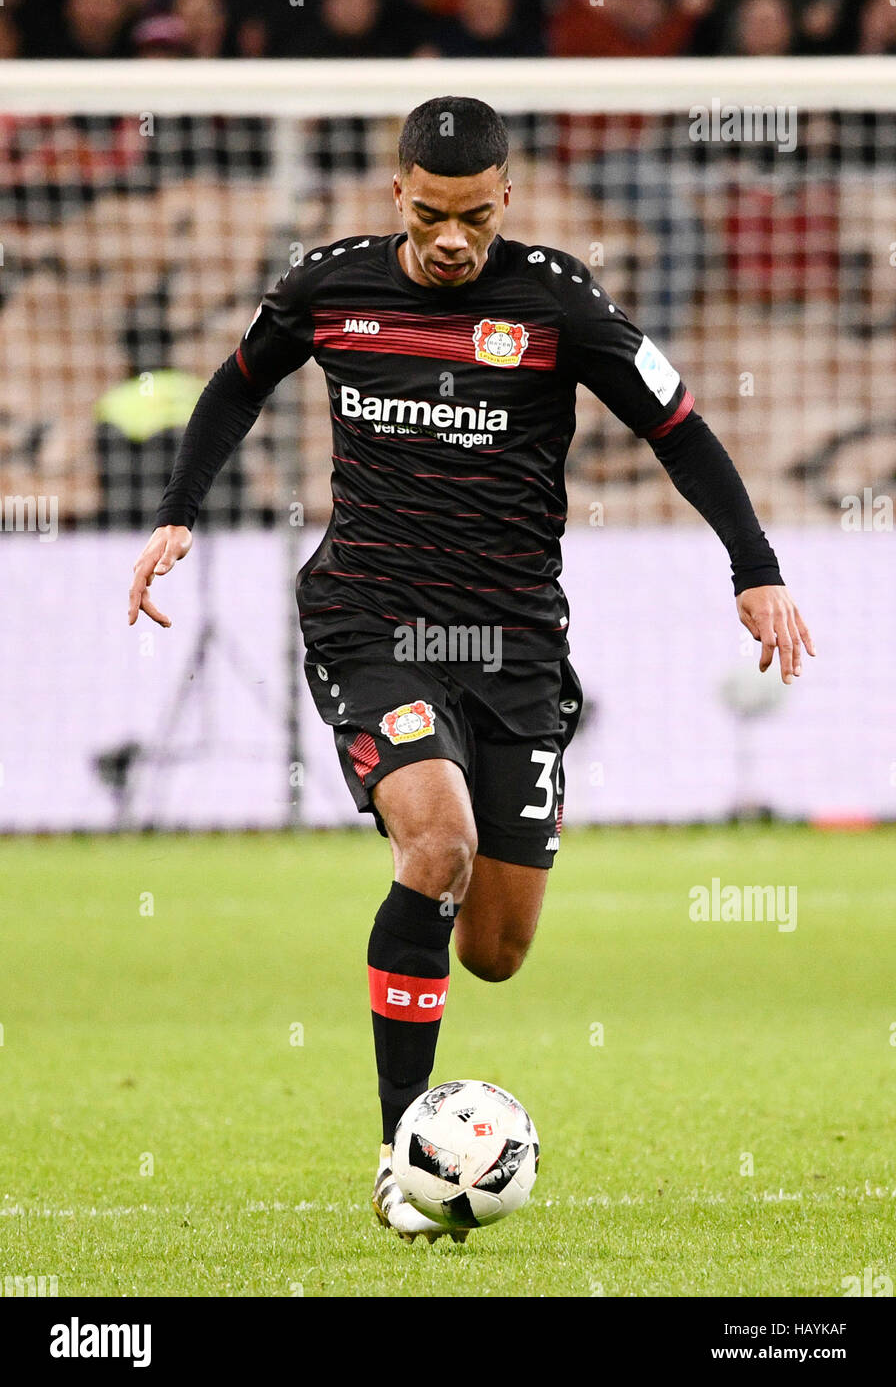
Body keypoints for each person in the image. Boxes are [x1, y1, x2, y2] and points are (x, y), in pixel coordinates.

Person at [128, 97, 814, 1243]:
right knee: (433, 845)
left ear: (508, 199)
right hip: (369, 620)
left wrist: (755, 566)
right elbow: (237, 381)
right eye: (434, 215)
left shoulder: (556, 302)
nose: (453, 240)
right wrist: (177, 511)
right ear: (398, 192)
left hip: (512, 648)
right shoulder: (327, 287)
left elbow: (679, 429)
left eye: (476, 218)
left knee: (493, 950)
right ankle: (403, 1152)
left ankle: (425, 951)